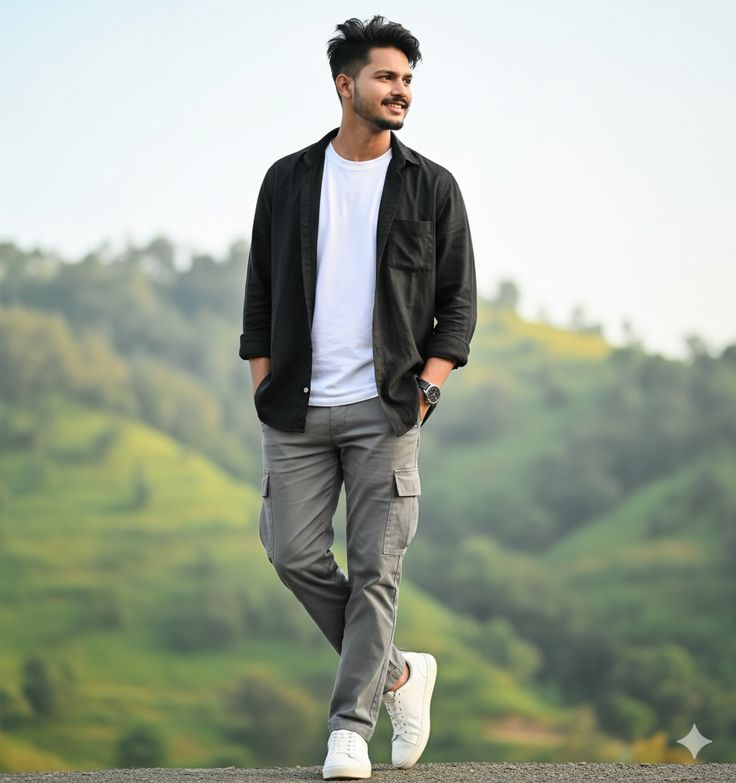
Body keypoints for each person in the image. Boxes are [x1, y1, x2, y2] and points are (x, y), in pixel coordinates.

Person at [239, 14, 477, 779]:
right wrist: (265, 386)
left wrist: (427, 392)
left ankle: (350, 729)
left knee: (377, 568)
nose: (400, 90)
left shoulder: (431, 186)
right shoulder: (287, 180)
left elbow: (457, 304)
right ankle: (402, 674)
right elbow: (260, 296)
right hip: (297, 408)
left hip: (388, 409)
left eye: (407, 79)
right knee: (292, 551)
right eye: (386, 77)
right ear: (347, 85)